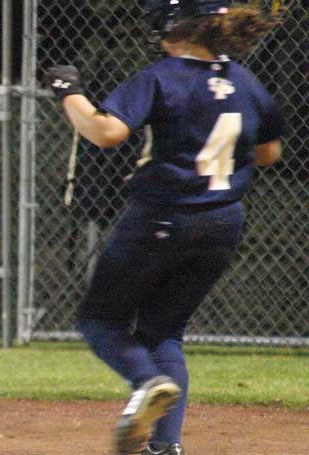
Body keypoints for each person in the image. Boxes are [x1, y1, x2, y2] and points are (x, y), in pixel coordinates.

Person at [46, 1, 282, 454]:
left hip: (161, 217)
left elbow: (105, 132)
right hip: (223, 223)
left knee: (100, 320)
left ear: (172, 27)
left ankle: (146, 382)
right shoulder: (248, 83)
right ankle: (164, 447)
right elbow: (268, 153)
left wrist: (67, 91)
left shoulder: (162, 76)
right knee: (164, 332)